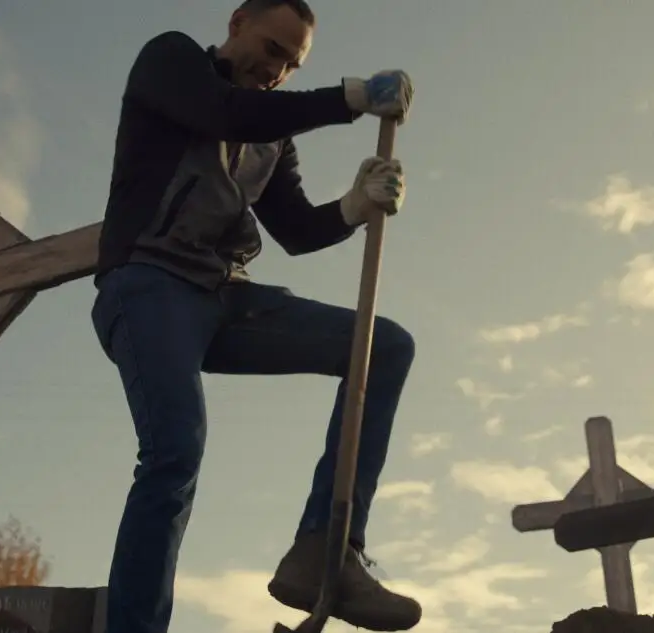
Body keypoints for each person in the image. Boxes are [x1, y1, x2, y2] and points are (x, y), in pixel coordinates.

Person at [89, 1, 421, 632]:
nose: (276, 71)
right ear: (238, 23)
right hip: (148, 285)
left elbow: (294, 228)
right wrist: (349, 97)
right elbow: (224, 113)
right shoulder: (172, 62)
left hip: (225, 296)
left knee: (384, 347)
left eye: (291, 66)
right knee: (174, 454)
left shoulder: (273, 134)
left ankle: (325, 551)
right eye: (272, 50)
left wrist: (353, 205)